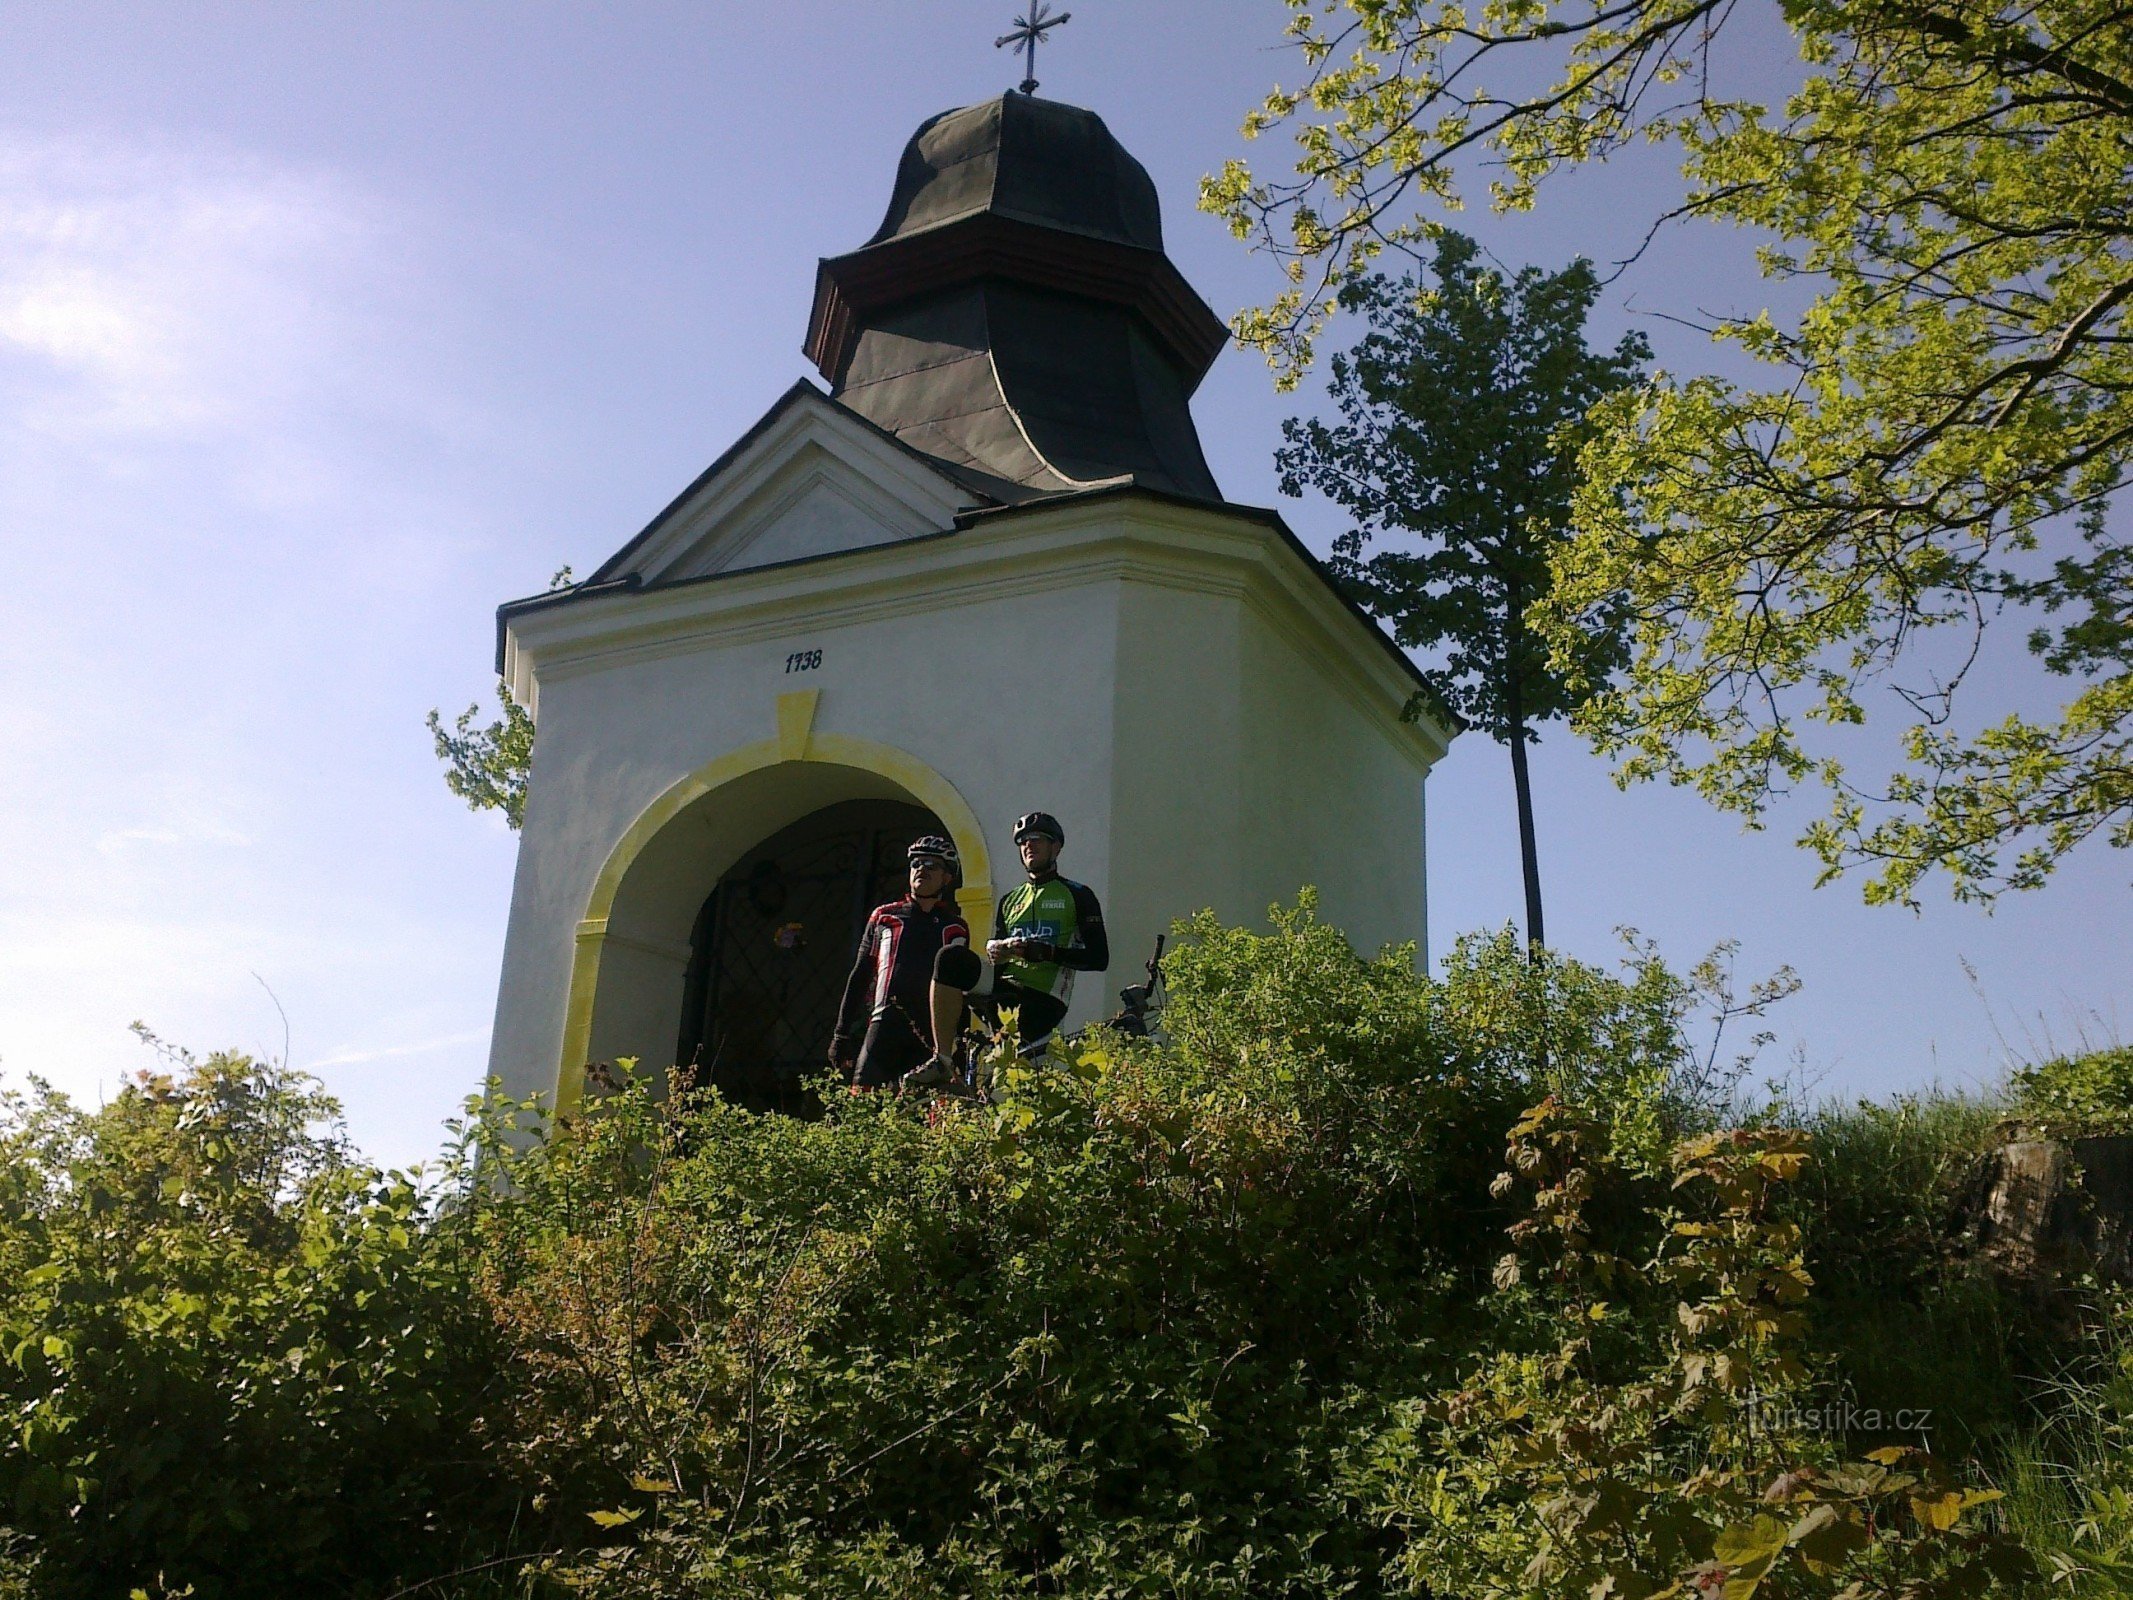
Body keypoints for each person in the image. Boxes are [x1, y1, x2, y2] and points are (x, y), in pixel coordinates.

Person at [910, 810, 1107, 1088]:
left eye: (1038, 839)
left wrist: (1046, 952)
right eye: (1024, 841)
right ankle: (943, 1059)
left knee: (1024, 1086)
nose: (1030, 845)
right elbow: (998, 954)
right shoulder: (1011, 900)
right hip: (1005, 990)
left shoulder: (1078, 895)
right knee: (950, 959)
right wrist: (998, 950)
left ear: (1056, 847)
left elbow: (1099, 959)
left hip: (1043, 1003)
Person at [830, 835, 969, 1090]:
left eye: (931, 865)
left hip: (931, 1030)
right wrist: (841, 1034)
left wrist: (960, 1042)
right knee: (864, 1104)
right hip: (885, 1023)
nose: (921, 870)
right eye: (916, 863)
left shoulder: (955, 928)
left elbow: (959, 989)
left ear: (947, 877)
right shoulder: (885, 916)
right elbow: (861, 974)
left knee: (924, 1113)